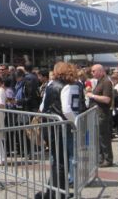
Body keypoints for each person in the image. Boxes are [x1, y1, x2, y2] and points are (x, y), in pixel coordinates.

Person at [36, 62, 79, 199]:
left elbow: (42, 107)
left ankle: (54, 192)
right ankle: (57, 194)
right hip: (60, 128)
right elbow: (67, 110)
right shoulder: (67, 86)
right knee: (61, 163)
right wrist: (76, 122)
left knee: (57, 161)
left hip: (49, 126)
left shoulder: (50, 85)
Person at [86, 64, 113, 167]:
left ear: (100, 71)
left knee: (104, 137)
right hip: (97, 113)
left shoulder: (106, 82)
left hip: (102, 114)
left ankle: (108, 159)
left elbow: (107, 99)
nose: (92, 73)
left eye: (93, 71)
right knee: (98, 137)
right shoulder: (100, 81)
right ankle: (101, 158)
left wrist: (92, 95)